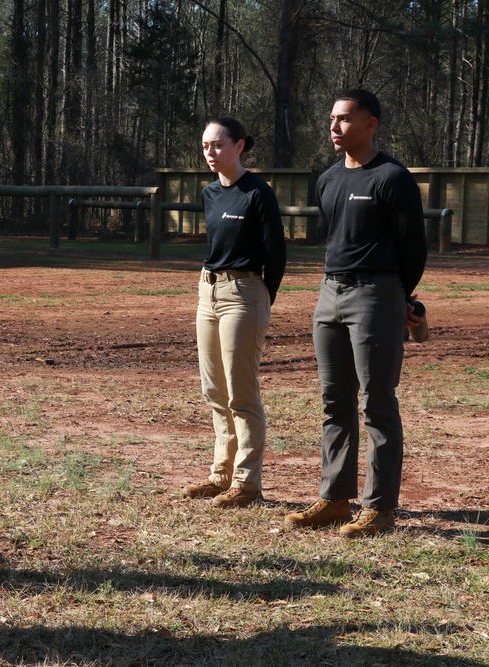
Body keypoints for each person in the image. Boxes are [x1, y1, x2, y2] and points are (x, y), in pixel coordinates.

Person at [284, 89, 427, 538]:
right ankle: (334, 499)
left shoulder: (392, 177)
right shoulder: (327, 179)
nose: (334, 127)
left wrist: (396, 297)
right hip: (329, 293)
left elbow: (413, 249)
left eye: (345, 119)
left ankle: (380, 508)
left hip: (376, 294)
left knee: (377, 402)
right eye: (331, 118)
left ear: (371, 124)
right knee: (334, 401)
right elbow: (333, 237)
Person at [183, 118, 286, 509]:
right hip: (207, 291)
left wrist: (260, 296)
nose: (210, 152)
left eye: (218, 145)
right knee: (214, 391)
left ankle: (246, 483)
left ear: (239, 146)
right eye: (206, 145)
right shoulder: (210, 193)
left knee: (241, 394)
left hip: (244, 294)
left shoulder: (258, 193)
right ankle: (220, 475)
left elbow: (276, 253)